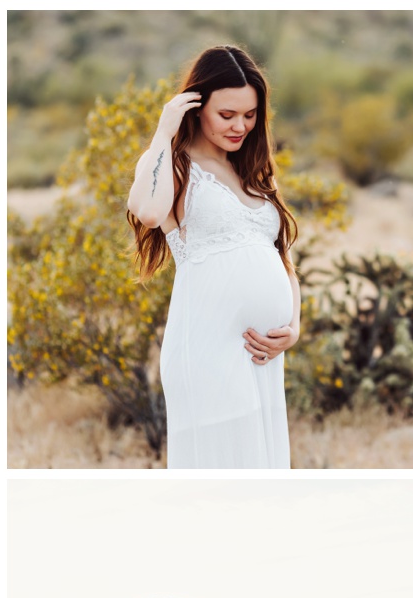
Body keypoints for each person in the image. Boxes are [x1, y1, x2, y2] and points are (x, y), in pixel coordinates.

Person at [127, 45, 299, 469]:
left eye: (250, 114)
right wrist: (164, 133)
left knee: (260, 470)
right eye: (227, 115)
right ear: (197, 107)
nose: (240, 125)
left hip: (260, 354)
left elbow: (283, 259)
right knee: (222, 475)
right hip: (207, 347)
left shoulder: (255, 171)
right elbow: (148, 212)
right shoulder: (174, 164)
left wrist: (293, 326)